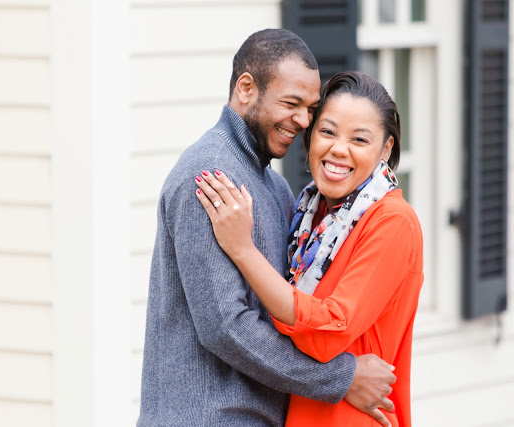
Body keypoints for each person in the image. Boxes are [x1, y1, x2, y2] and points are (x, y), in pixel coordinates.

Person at [137, 29, 398, 427]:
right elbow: (225, 327)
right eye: (291, 103)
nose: (303, 120)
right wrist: (341, 378)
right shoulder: (208, 179)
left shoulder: (275, 187)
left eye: (310, 108)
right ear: (246, 88)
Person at [195, 71, 424, 426]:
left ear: (386, 148)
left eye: (359, 139)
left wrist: (242, 249)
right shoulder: (308, 213)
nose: (338, 149)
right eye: (328, 131)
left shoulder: (393, 221)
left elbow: (327, 333)